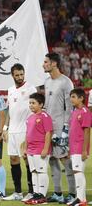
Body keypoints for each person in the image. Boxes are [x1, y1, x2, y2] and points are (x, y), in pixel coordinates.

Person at [43, 53, 75, 203]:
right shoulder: (47, 81)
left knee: (65, 159)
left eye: (46, 62)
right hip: (48, 127)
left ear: (54, 63)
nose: (43, 65)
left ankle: (73, 193)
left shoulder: (66, 82)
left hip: (60, 127)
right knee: (52, 160)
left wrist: (66, 129)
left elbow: (70, 107)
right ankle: (58, 193)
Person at [2, 64, 36, 201]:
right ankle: (17, 192)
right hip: (13, 131)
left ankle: (32, 191)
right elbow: (9, 111)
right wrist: (5, 129)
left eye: (22, 74)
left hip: (25, 130)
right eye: (17, 75)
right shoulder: (10, 90)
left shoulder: (30, 88)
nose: (20, 77)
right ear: (12, 75)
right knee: (13, 159)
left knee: (27, 160)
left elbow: (36, 108)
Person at [23, 93, 53, 205]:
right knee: (34, 172)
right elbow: (27, 134)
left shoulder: (45, 117)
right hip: (31, 150)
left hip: (40, 149)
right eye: (30, 103)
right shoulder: (30, 118)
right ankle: (36, 194)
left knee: (41, 171)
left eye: (33, 103)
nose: (30, 105)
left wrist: (45, 149)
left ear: (41, 104)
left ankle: (42, 195)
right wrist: (25, 149)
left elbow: (48, 133)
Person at [67, 88, 91, 206]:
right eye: (71, 96)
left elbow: (87, 131)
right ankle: (79, 198)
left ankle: (81, 199)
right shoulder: (75, 111)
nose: (71, 99)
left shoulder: (85, 112)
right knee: (76, 171)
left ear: (81, 98)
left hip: (80, 147)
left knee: (78, 171)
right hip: (73, 147)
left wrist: (84, 150)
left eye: (73, 97)